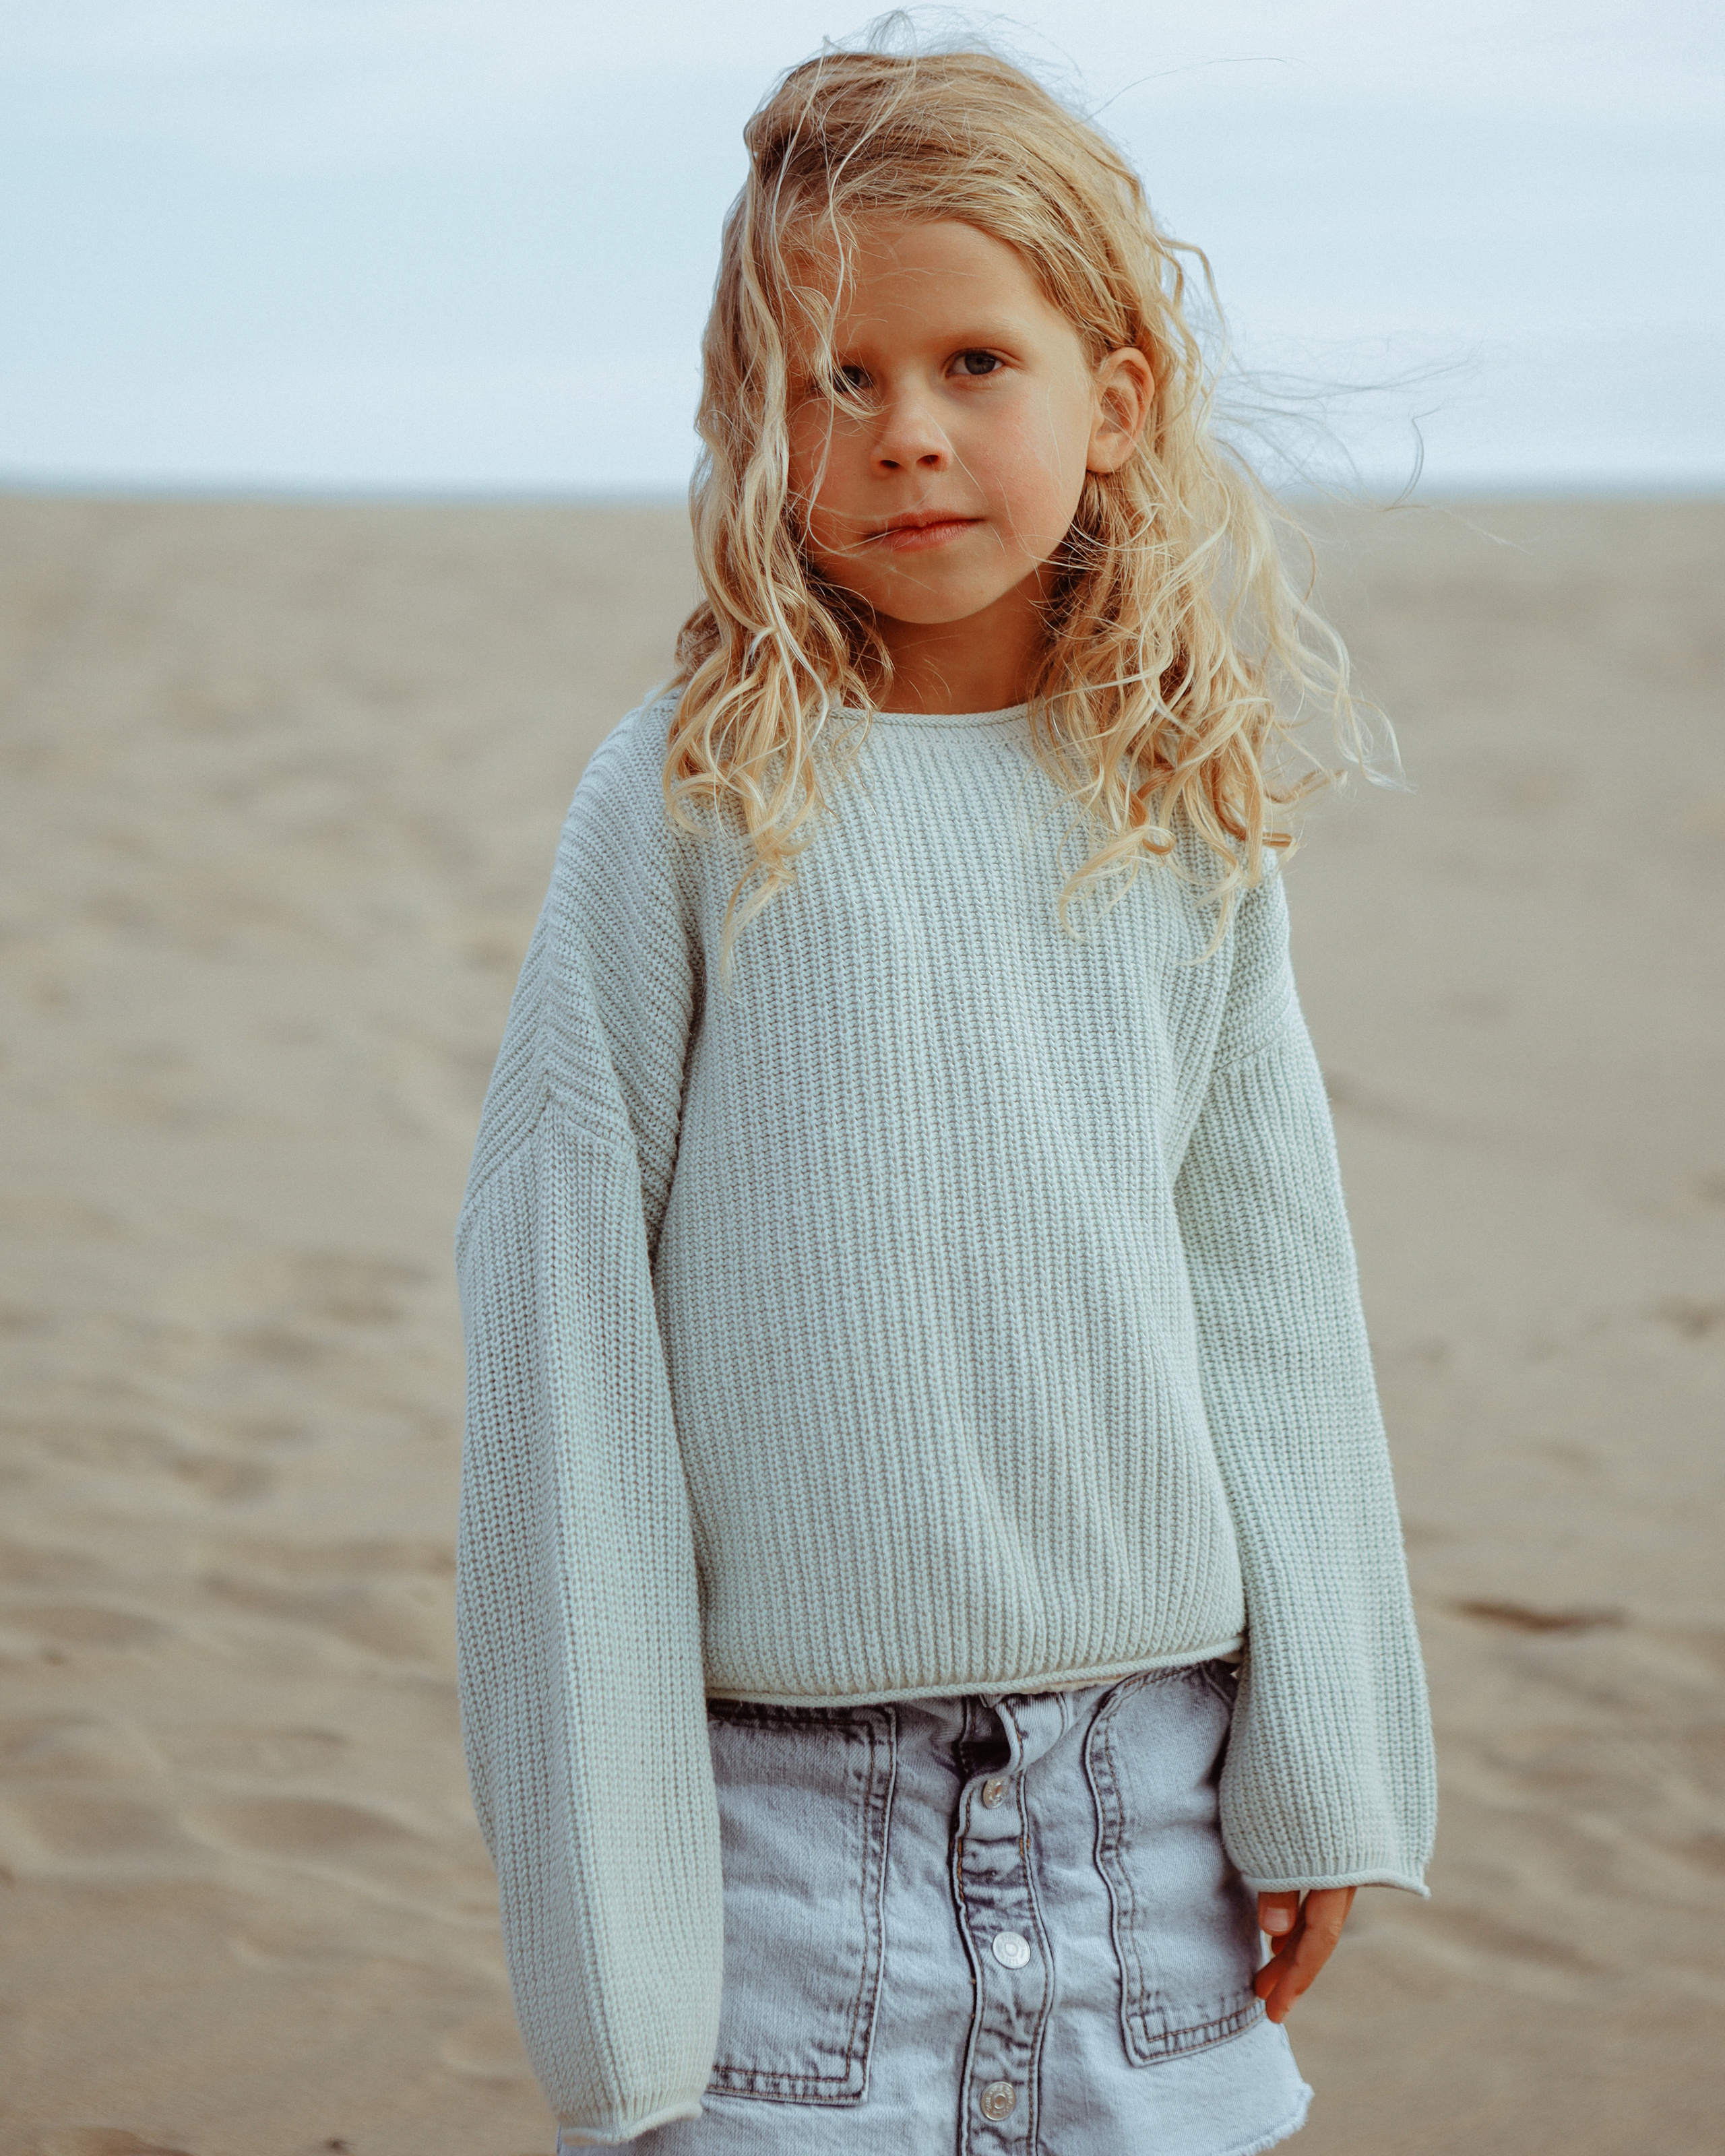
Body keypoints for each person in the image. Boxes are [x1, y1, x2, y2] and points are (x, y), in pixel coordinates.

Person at [455, 40, 1436, 2156]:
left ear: (1122, 387)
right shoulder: (693, 801)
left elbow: (1272, 1298)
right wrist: (613, 1949)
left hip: (1149, 1824)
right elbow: (561, 1345)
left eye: (975, 360)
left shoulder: (1181, 809)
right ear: (755, 425)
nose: (906, 433)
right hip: (783, 1850)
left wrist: (1327, 1762)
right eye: (835, 378)